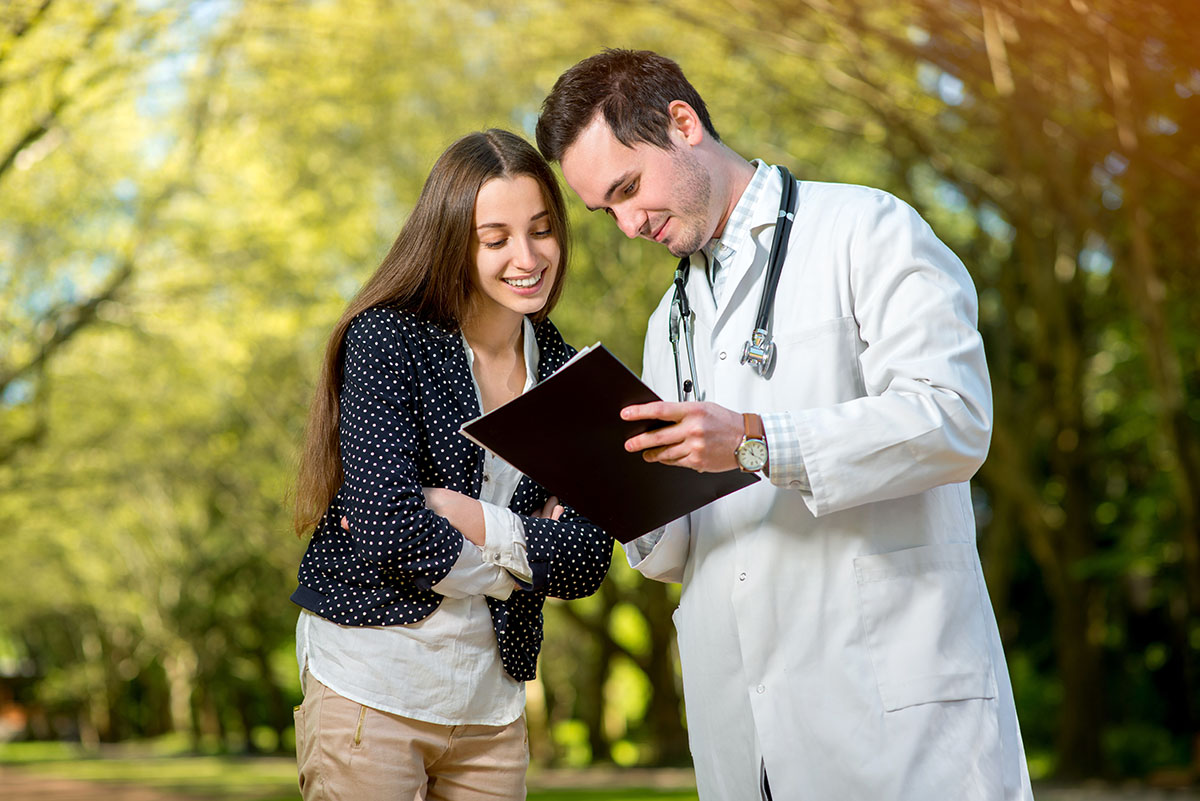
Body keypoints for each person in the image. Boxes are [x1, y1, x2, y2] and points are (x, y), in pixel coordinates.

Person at [536, 49, 1034, 801]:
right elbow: (677, 552)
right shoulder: (666, 322)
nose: (629, 226)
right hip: (744, 732)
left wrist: (756, 437)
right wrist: (611, 491)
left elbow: (954, 418)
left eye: (629, 188)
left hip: (888, 718)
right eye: (607, 211)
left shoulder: (865, 229)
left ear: (683, 123)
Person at [289, 129, 612, 800]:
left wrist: (469, 518)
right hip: (372, 685)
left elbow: (586, 558)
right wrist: (518, 567)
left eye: (542, 230)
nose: (527, 258)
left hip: (493, 705)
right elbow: (388, 527)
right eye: (495, 239)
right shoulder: (389, 338)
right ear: (452, 242)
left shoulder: (572, 376)